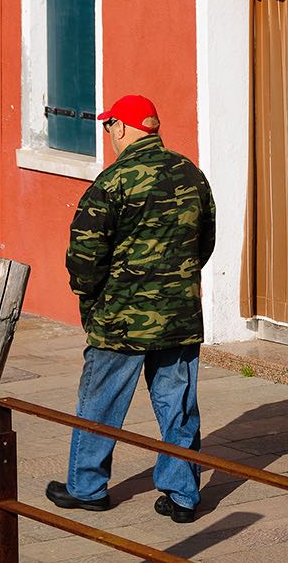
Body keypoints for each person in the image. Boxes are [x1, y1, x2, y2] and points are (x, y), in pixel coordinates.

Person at [45, 94, 216, 523]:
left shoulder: (112, 182)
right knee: (177, 405)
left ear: (120, 127)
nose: (108, 135)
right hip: (179, 316)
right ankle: (182, 495)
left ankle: (87, 488)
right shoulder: (191, 174)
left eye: (108, 127)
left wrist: (91, 299)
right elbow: (205, 242)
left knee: (100, 402)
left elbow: (84, 257)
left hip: (121, 319)